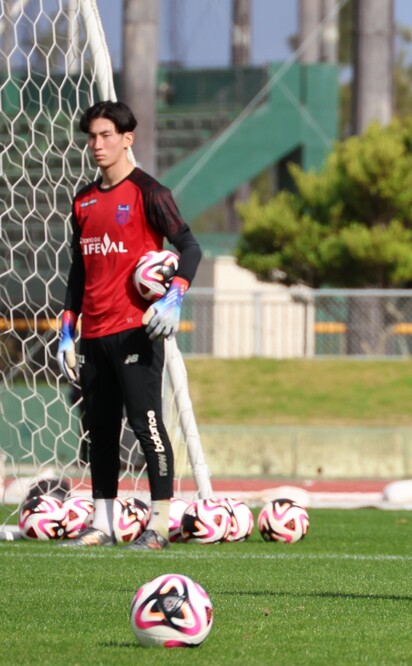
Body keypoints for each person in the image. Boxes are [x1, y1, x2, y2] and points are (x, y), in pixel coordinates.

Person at [57, 100, 202, 551]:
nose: (97, 145)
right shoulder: (83, 200)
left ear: (127, 139)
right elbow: (78, 270)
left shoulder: (149, 192)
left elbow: (190, 247)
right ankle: (102, 525)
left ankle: (158, 525)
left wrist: (174, 295)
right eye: (91, 137)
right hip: (94, 334)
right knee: (99, 431)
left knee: (146, 425)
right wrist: (67, 331)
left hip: (137, 329)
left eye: (106, 136)